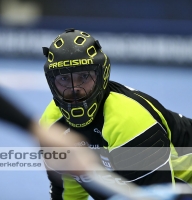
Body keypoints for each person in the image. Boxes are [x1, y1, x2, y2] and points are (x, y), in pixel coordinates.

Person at [40, 28, 192, 200]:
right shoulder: (50, 124)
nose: (75, 89)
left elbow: (156, 197)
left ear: (102, 75)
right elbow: (69, 191)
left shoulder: (128, 119)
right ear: (51, 82)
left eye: (83, 76)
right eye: (64, 79)